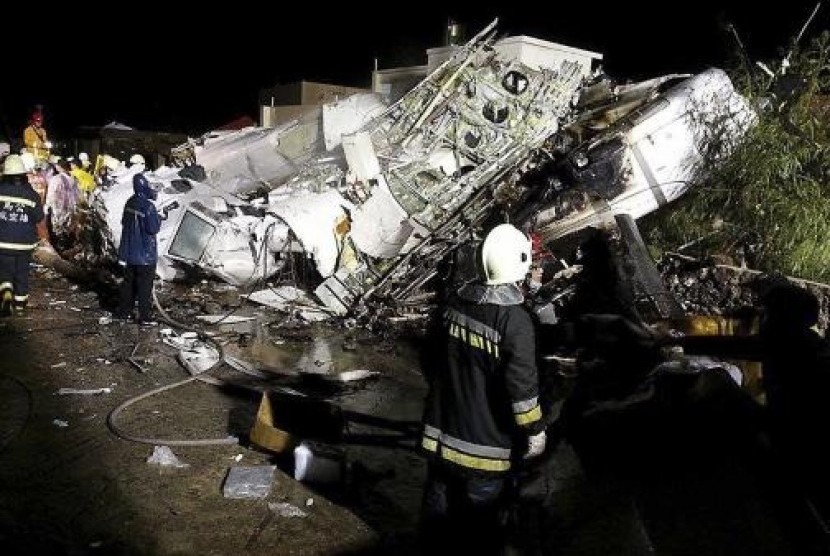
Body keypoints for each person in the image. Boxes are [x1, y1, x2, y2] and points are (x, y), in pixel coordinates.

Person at [419, 222, 546, 554]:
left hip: (440, 438)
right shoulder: (515, 322)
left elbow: (430, 361)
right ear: (519, 264)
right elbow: (522, 389)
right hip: (484, 453)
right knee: (479, 531)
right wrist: (534, 430)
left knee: (436, 518)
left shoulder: (453, 305)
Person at [114, 172, 165, 326]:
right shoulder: (149, 207)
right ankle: (145, 316)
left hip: (130, 254)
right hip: (145, 256)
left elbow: (124, 222)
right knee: (144, 287)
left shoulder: (129, 202)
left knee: (128, 284)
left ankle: (124, 312)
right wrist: (159, 218)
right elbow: (153, 229)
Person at [0, 154, 45, 315]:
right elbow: (39, 219)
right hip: (24, 244)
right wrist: (44, 238)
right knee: (21, 274)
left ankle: (6, 290)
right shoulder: (31, 195)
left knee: (4, 271)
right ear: (23, 174)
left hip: (2, 242)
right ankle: (19, 306)